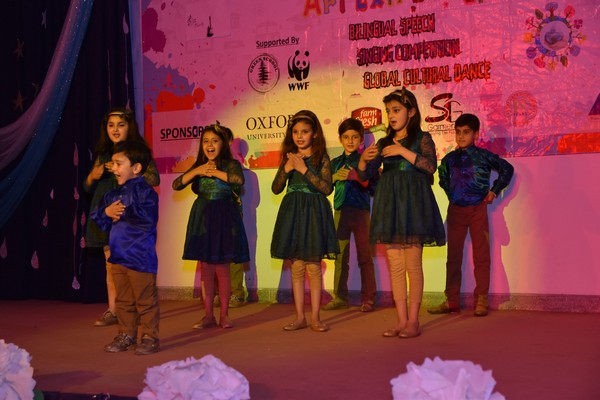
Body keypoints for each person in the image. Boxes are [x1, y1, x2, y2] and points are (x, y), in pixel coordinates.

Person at [358, 88, 445, 339]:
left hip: (414, 207)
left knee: (412, 266)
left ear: (411, 111)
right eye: (388, 111)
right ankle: (401, 320)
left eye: (396, 110)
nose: (392, 116)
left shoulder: (422, 138)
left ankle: (414, 321)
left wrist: (402, 151)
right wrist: (363, 161)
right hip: (390, 207)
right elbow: (365, 174)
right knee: (395, 266)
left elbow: (430, 166)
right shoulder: (383, 143)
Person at [427, 113, 514, 317]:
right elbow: (442, 177)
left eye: (466, 132)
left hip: (477, 209)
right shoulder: (449, 159)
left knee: (481, 256)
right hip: (456, 210)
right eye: (458, 132)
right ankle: (451, 300)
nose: (461, 136)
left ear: (476, 134)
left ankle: (481, 299)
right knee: (453, 257)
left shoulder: (483, 156)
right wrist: (453, 195)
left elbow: (507, 169)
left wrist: (494, 191)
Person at [84, 108, 160, 327]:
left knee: (134, 271)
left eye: (121, 125)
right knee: (111, 266)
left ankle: (138, 312)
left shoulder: (138, 152)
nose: (115, 129)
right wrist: (93, 175)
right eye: (111, 125)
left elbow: (153, 179)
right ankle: (114, 309)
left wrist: (127, 168)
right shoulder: (103, 154)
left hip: (129, 218)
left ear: (130, 127)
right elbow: (87, 187)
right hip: (107, 213)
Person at [172, 123, 249, 330]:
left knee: (222, 268)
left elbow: (238, 180)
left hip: (223, 217)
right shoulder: (199, 166)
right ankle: (208, 315)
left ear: (223, 144)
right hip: (203, 217)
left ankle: (224, 315)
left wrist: (214, 172)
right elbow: (177, 184)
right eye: (205, 141)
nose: (210, 145)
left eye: (215, 141)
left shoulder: (230, 164)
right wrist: (197, 170)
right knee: (205, 268)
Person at [271, 110, 339, 333]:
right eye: (296, 132)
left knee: (313, 267)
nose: (300, 136)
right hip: (293, 213)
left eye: (305, 132)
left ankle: (316, 317)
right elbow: (276, 188)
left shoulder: (322, 158)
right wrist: (287, 168)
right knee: (297, 267)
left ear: (315, 134)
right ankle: (300, 316)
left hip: (314, 214)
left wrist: (304, 169)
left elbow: (327, 188)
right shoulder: (289, 158)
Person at [90, 140, 160, 355]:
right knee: (123, 301)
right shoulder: (112, 195)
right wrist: (106, 213)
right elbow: (98, 219)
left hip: (140, 258)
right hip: (118, 257)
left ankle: (149, 337)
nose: (114, 168)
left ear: (136, 168)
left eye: (119, 164)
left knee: (145, 301)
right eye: (113, 164)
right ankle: (126, 335)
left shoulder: (146, 192)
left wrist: (124, 210)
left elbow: (148, 219)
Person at [322, 118, 378, 312]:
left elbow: (375, 188)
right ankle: (340, 297)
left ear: (361, 139)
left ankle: (368, 298)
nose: (350, 141)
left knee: (365, 256)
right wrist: (332, 178)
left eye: (354, 137)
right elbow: (325, 189)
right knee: (340, 257)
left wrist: (358, 177)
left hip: (361, 212)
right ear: (340, 139)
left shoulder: (367, 161)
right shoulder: (335, 163)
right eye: (346, 137)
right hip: (340, 212)